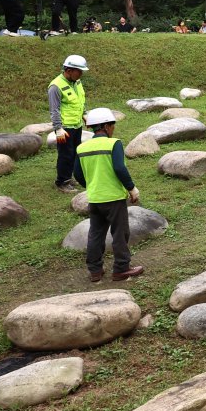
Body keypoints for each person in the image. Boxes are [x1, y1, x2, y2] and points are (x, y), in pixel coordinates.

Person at [74, 108, 144, 282]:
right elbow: (120, 168)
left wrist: (91, 185)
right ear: (105, 126)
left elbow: (78, 174)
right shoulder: (114, 144)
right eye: (112, 125)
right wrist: (132, 189)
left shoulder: (82, 147)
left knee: (96, 234)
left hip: (95, 198)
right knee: (120, 232)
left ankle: (95, 271)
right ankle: (121, 268)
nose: (113, 129)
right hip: (113, 198)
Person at [48, 54, 89, 193]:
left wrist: (84, 114)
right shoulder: (55, 86)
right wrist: (58, 128)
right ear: (69, 70)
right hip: (64, 128)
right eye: (79, 71)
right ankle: (62, 182)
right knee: (66, 154)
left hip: (76, 125)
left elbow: (79, 99)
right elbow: (54, 110)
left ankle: (69, 177)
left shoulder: (76, 82)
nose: (81, 74)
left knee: (75, 152)